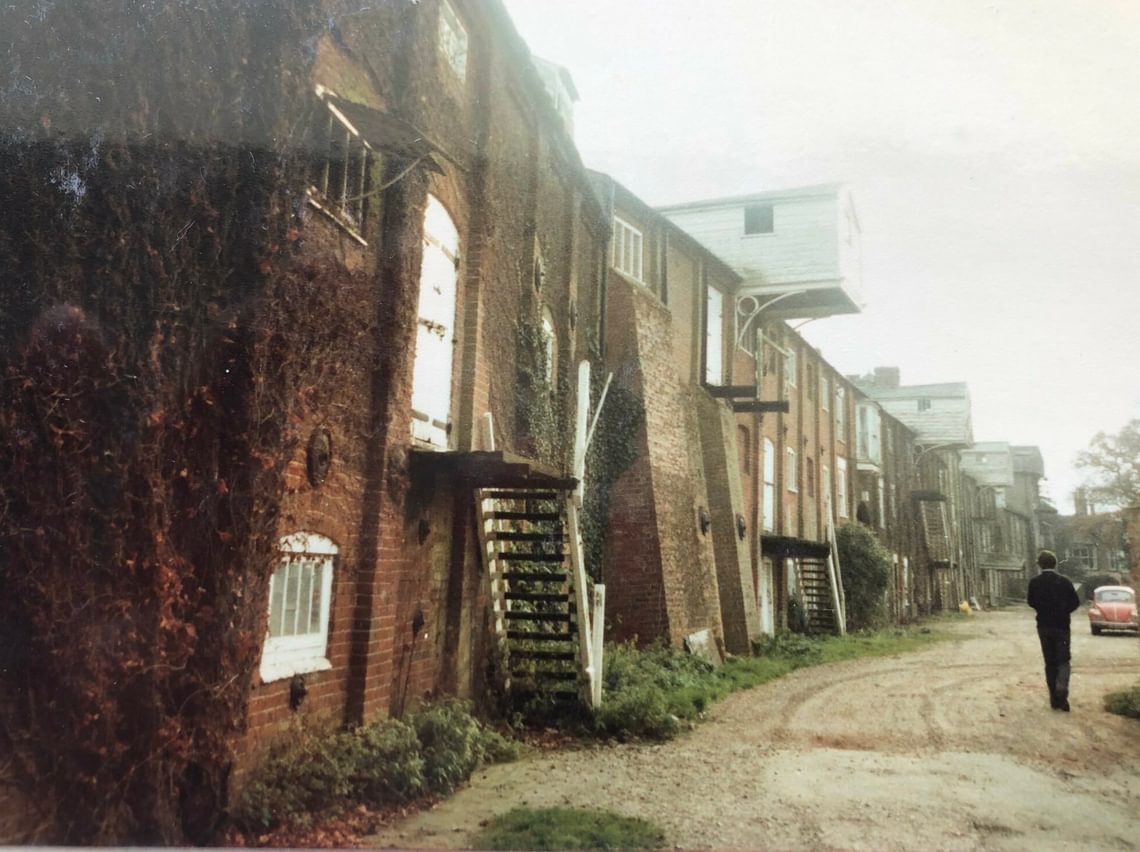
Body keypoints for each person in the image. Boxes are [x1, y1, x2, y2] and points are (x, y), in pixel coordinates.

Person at [1026, 550, 1080, 711]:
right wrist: (1063, 611)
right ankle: (1062, 687)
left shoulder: (1034, 582)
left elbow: (1031, 602)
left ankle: (1054, 699)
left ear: (1039, 565)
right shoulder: (1064, 582)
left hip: (1043, 625)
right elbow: (1075, 602)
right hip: (1062, 625)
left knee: (1050, 662)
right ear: (1055, 564)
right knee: (1063, 660)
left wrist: (1043, 609)